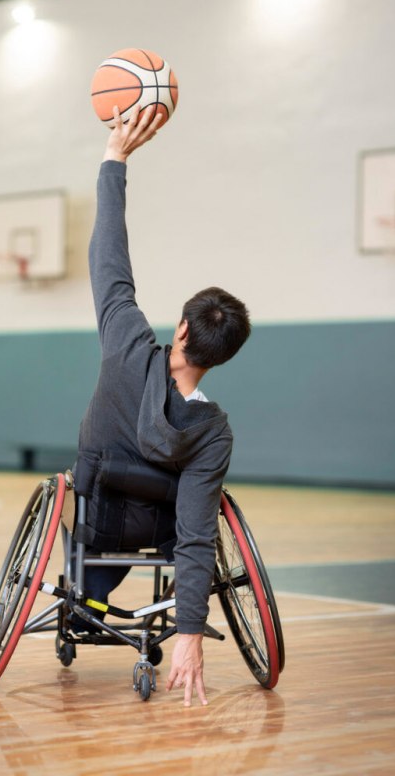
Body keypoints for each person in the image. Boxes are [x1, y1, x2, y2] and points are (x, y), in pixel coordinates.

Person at [70, 104, 251, 707]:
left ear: (179, 330)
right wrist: (191, 633)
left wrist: (114, 159)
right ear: (221, 357)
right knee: (196, 519)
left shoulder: (126, 347)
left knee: (87, 561)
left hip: (101, 513)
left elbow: (108, 257)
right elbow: (198, 535)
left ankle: (88, 599)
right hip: (164, 528)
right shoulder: (213, 432)